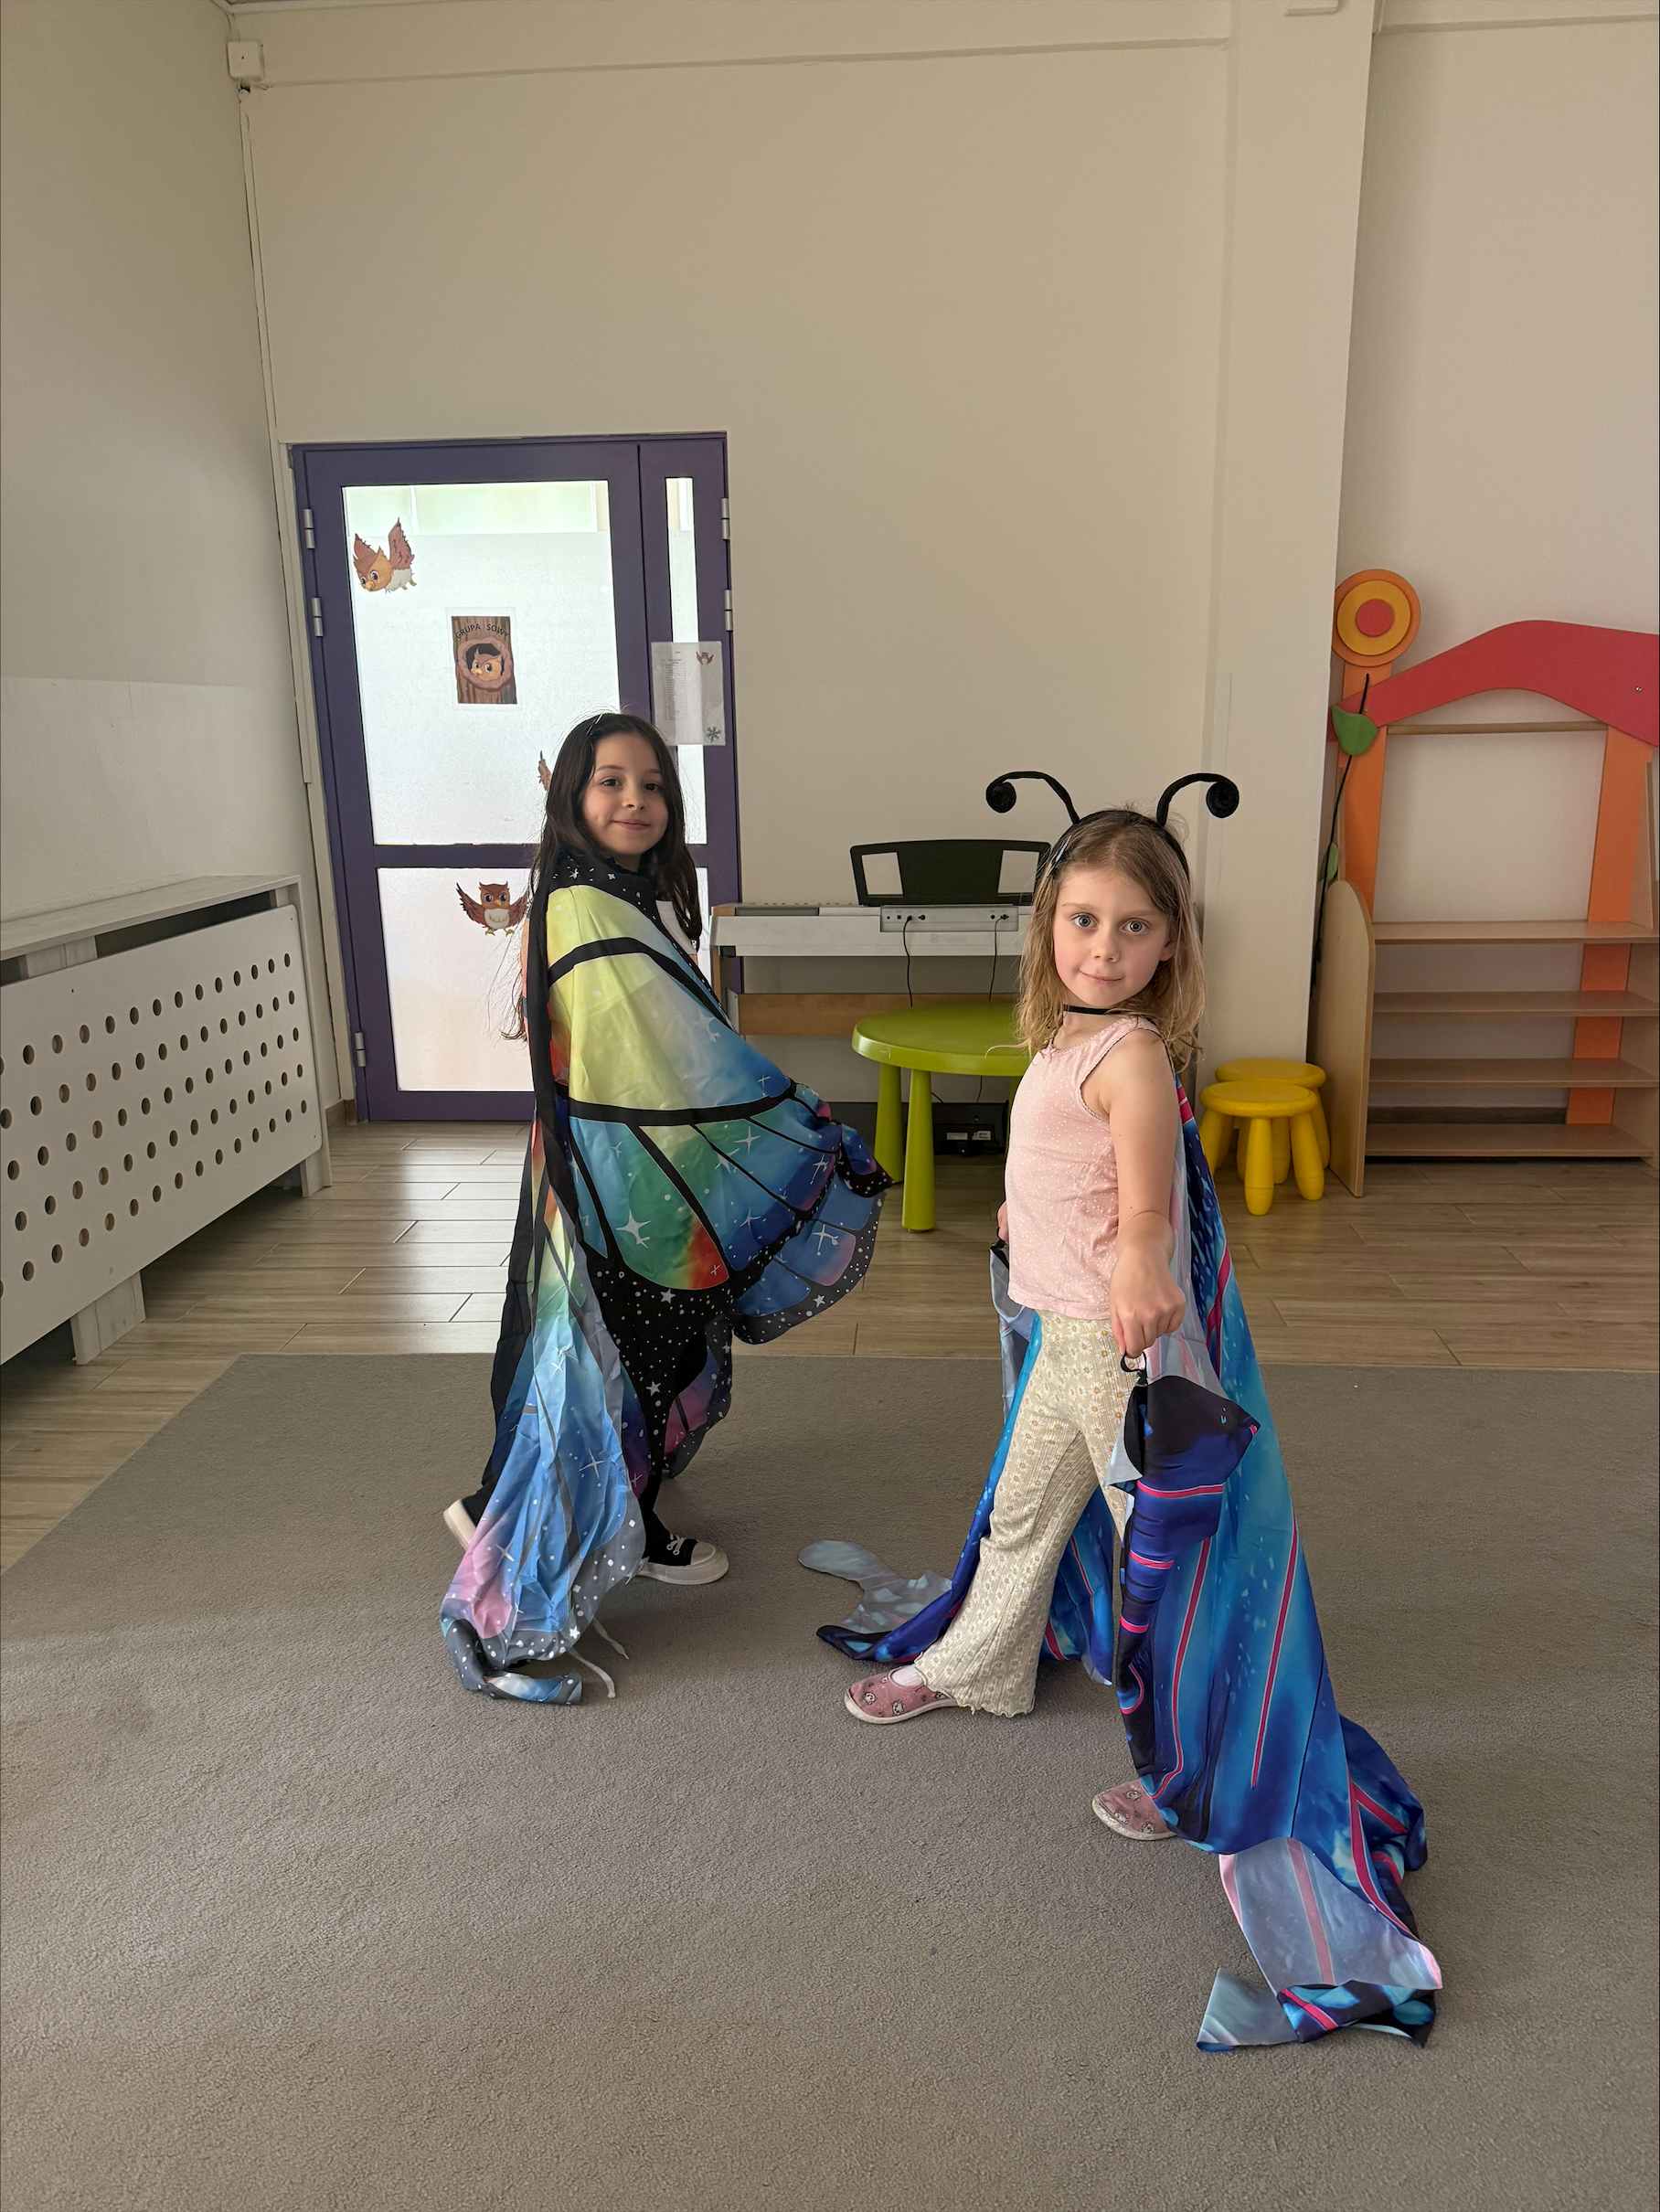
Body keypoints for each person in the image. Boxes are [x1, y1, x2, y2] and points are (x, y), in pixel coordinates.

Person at [824, 788, 1440, 2047]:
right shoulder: (1063, 1042)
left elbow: (1146, 1194)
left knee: (1174, 1573)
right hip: (1060, 1343)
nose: (1103, 948)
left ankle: (1194, 1774)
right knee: (1019, 1518)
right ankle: (978, 1665)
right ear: (1048, 925)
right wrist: (1022, 1215)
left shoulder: (1134, 1055)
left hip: (1114, 1349)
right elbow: (1065, 1165)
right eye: (1083, 920)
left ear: (1171, 946)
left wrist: (1143, 1252)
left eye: (1134, 927)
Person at [442, 711, 889, 1701]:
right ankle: (609, 1532)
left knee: (594, 1341)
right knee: (631, 1347)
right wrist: (793, 1114)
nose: (635, 799)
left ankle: (499, 1495)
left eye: (651, 784)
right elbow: (676, 1054)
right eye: (610, 781)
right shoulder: (585, 907)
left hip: (610, 1163)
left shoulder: (615, 893)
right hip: (624, 1172)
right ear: (572, 794)